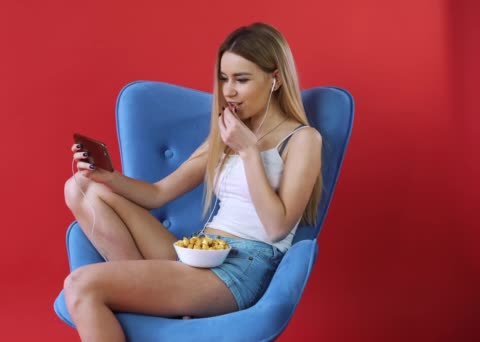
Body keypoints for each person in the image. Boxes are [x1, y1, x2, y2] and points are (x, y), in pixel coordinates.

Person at [62, 22, 322, 342]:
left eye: (241, 79)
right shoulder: (227, 133)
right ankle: (155, 299)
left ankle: (151, 298)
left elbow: (276, 227)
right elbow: (159, 194)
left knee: (80, 285)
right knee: (81, 188)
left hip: (239, 269)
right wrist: (108, 178)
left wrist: (250, 151)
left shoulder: (303, 139)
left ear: (275, 79)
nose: (228, 91)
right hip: (198, 252)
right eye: (224, 78)